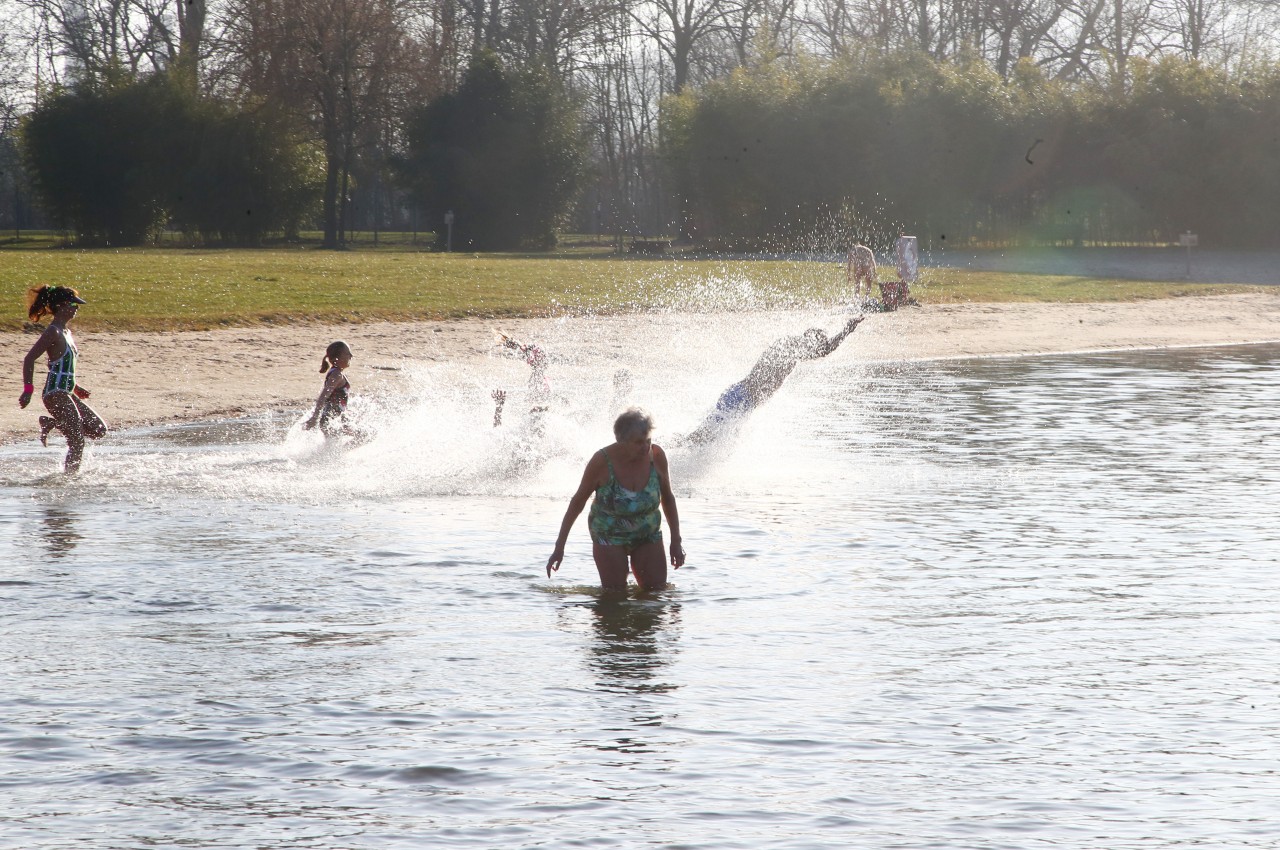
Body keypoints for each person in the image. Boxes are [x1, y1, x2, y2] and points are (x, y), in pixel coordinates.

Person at [547, 407, 685, 592]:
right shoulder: (601, 462)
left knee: (656, 593)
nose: (645, 447)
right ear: (622, 441)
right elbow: (577, 503)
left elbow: (668, 498)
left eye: (648, 440)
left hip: (647, 533)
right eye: (638, 443)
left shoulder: (657, 456)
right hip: (609, 535)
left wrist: (676, 541)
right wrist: (559, 547)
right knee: (614, 597)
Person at [683, 316, 865, 445]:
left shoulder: (792, 349)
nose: (817, 351)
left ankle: (669, 453)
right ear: (810, 340)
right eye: (818, 344)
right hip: (741, 398)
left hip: (742, 399)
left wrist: (846, 331)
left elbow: (823, 350)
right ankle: (664, 452)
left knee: (706, 440)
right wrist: (847, 330)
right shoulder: (791, 345)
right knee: (705, 438)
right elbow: (825, 350)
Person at [19, 285, 108, 473]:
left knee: (98, 429)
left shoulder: (67, 332)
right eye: (73, 305)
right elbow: (29, 359)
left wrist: (75, 387)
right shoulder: (53, 331)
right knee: (77, 441)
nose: (76, 308)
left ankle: (51, 423)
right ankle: (70, 480)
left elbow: (62, 367)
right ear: (61, 306)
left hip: (66, 392)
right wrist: (28, 390)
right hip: (55, 394)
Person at [304, 340, 358, 437]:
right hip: (330, 422)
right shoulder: (336, 375)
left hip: (333, 419)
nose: (351, 356)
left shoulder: (336, 373)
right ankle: (345, 451)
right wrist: (314, 418)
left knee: (336, 447)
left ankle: (344, 452)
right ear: (337, 358)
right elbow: (323, 397)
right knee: (368, 434)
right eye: (347, 353)